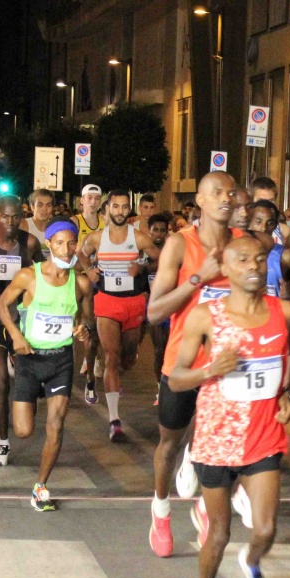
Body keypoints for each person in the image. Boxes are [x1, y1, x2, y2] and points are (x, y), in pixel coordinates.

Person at [169, 236, 290, 578]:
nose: (254, 266)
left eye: (260, 258)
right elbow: (175, 378)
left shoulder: (285, 311)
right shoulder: (205, 316)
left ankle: (253, 564)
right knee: (219, 534)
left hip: (263, 435)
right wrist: (211, 370)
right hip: (217, 438)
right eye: (242, 259)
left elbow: (286, 356)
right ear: (225, 266)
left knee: (264, 529)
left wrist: (284, 395)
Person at [146, 171, 243, 557]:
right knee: (170, 443)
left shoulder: (244, 245)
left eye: (231, 192)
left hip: (229, 363)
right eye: (217, 192)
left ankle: (206, 506)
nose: (226, 198)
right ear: (199, 201)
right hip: (183, 363)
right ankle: (161, 508)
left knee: (229, 444)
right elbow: (154, 311)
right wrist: (199, 279)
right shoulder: (179, 244)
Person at [0, 218, 94, 510]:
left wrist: (83, 328)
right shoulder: (29, 277)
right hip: (29, 358)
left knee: (56, 425)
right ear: (49, 244)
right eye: (60, 243)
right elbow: (2, 305)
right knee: (23, 430)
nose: (66, 249)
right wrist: (15, 336)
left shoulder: (82, 283)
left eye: (71, 242)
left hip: (61, 360)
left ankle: (40, 487)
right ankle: (33, 393)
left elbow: (87, 318)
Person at [78, 190, 160, 441]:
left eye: (125, 207)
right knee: (112, 356)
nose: (121, 212)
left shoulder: (139, 238)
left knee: (127, 360)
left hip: (133, 303)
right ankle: (115, 421)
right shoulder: (96, 238)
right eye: (116, 207)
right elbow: (81, 253)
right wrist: (89, 270)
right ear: (107, 210)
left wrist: (143, 267)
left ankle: (119, 367)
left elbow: (161, 258)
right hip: (106, 302)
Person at [0, 195, 43, 465]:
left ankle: (26, 397)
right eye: (5, 216)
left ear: (21, 218)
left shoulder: (30, 243)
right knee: (0, 383)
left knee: (29, 386)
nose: (10, 222)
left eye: (16, 217)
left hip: (23, 319)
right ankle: (3, 442)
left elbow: (43, 273)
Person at [73, 184, 104, 403]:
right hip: (74, 279)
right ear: (81, 201)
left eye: (96, 198)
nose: (93, 201)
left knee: (90, 329)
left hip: (95, 282)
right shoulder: (74, 222)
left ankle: (90, 379)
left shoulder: (106, 223)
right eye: (89, 198)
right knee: (70, 330)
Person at [146, 213, 172, 400]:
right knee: (158, 350)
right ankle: (159, 388)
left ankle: (169, 386)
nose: (159, 234)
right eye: (156, 229)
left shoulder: (173, 250)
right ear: (149, 231)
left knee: (171, 348)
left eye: (163, 230)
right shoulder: (143, 251)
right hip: (152, 306)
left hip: (171, 305)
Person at [25, 189, 55, 260]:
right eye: (40, 205)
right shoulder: (24, 226)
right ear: (32, 207)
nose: (44, 209)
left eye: (48, 205)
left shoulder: (56, 228)